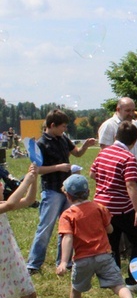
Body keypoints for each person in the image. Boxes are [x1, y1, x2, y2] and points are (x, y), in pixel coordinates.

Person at [55, 175, 137, 298]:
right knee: (118, 285)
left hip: (82, 260)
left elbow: (67, 238)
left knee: (76, 289)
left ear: (67, 195)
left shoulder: (68, 215)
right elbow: (110, 229)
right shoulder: (99, 208)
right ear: (88, 191)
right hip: (104, 256)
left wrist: (64, 262)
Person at [27, 109, 97, 274]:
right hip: (51, 190)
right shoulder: (41, 144)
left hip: (67, 191)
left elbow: (77, 154)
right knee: (45, 227)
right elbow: (37, 170)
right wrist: (58, 167)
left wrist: (85, 145)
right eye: (63, 126)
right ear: (52, 125)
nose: (65, 129)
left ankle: (64, 262)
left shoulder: (63, 138)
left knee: (67, 228)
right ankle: (34, 264)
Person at [0, 164, 62, 298]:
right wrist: (26, 180)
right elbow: (12, 204)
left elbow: (29, 200)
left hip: (9, 259)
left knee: (29, 293)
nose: (2, 189)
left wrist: (33, 180)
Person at [90, 121, 137, 293]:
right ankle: (133, 280)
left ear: (115, 137)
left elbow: (92, 173)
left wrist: (107, 182)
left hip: (101, 206)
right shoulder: (128, 157)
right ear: (133, 142)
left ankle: (112, 280)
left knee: (111, 243)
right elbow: (131, 185)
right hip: (121, 209)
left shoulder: (103, 153)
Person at [99, 97, 137, 172]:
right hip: (118, 176)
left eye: (133, 110)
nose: (131, 114)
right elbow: (104, 155)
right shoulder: (109, 126)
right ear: (118, 109)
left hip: (136, 175)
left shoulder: (136, 125)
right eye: (127, 111)